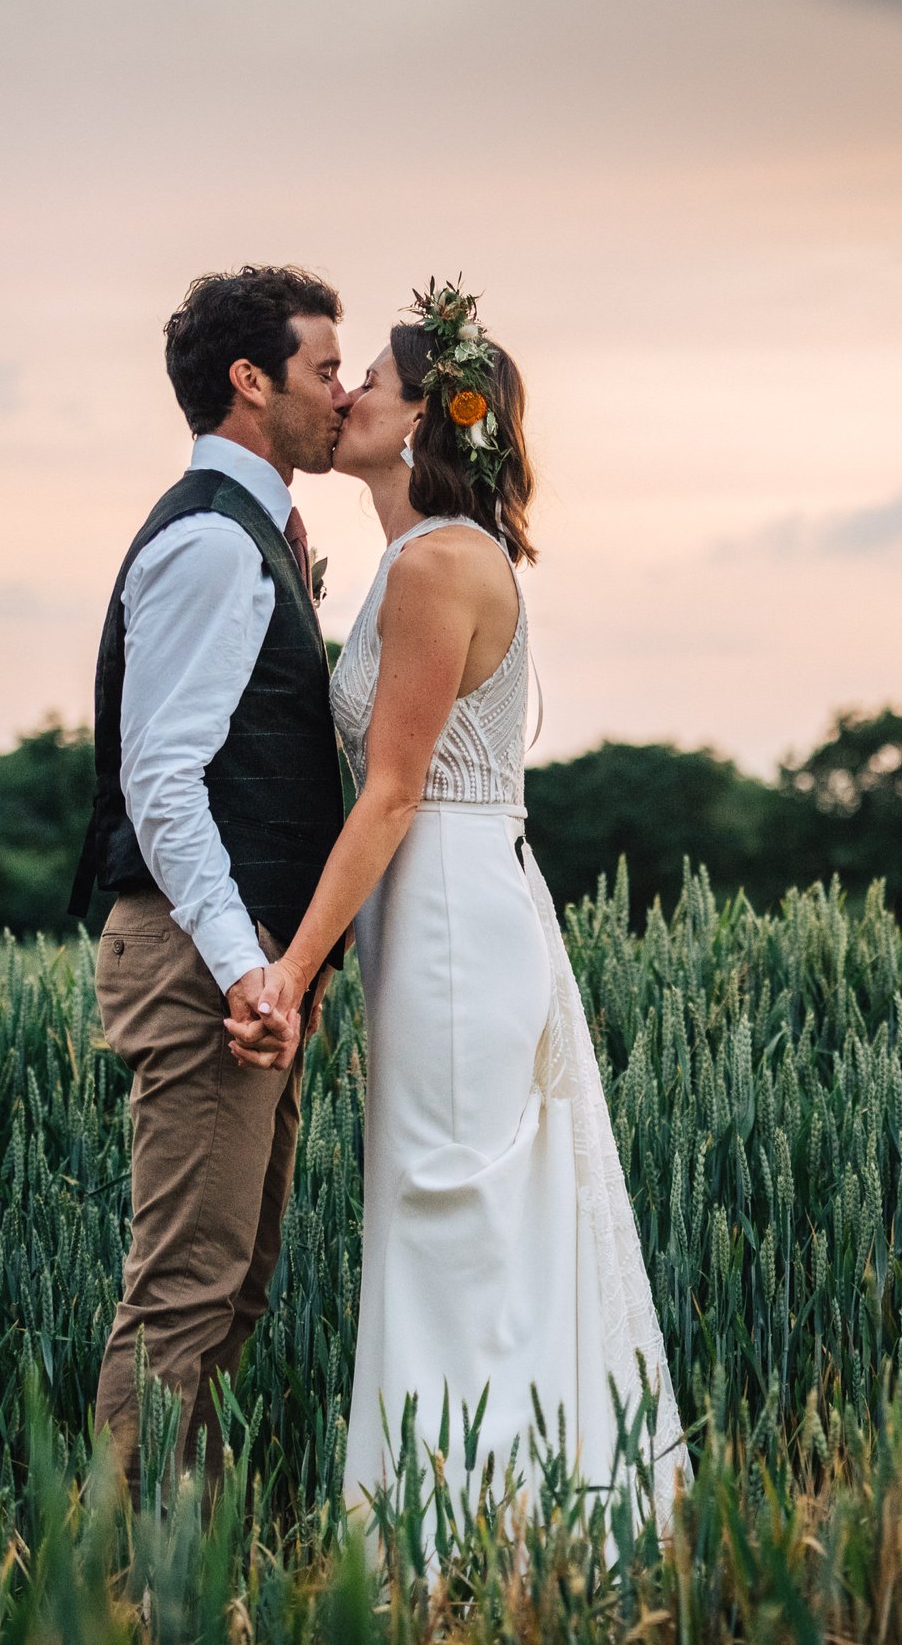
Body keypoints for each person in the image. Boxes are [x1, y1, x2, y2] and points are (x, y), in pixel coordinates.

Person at [228, 280, 687, 1532]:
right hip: (436, 908)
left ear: (431, 413)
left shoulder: (439, 566)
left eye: (372, 374)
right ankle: (488, 1514)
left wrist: (291, 971)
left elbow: (388, 795)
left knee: (449, 1206)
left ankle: (465, 1530)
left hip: (442, 915)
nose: (350, 390)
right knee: (450, 1207)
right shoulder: (412, 561)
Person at [68, 264, 351, 1484]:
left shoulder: (256, 532)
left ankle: (187, 1558)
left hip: (235, 964)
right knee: (183, 1295)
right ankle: (127, 1584)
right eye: (325, 369)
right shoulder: (206, 542)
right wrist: (250, 972)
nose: (343, 395)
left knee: (229, 1288)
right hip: (202, 962)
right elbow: (163, 779)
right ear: (252, 380)